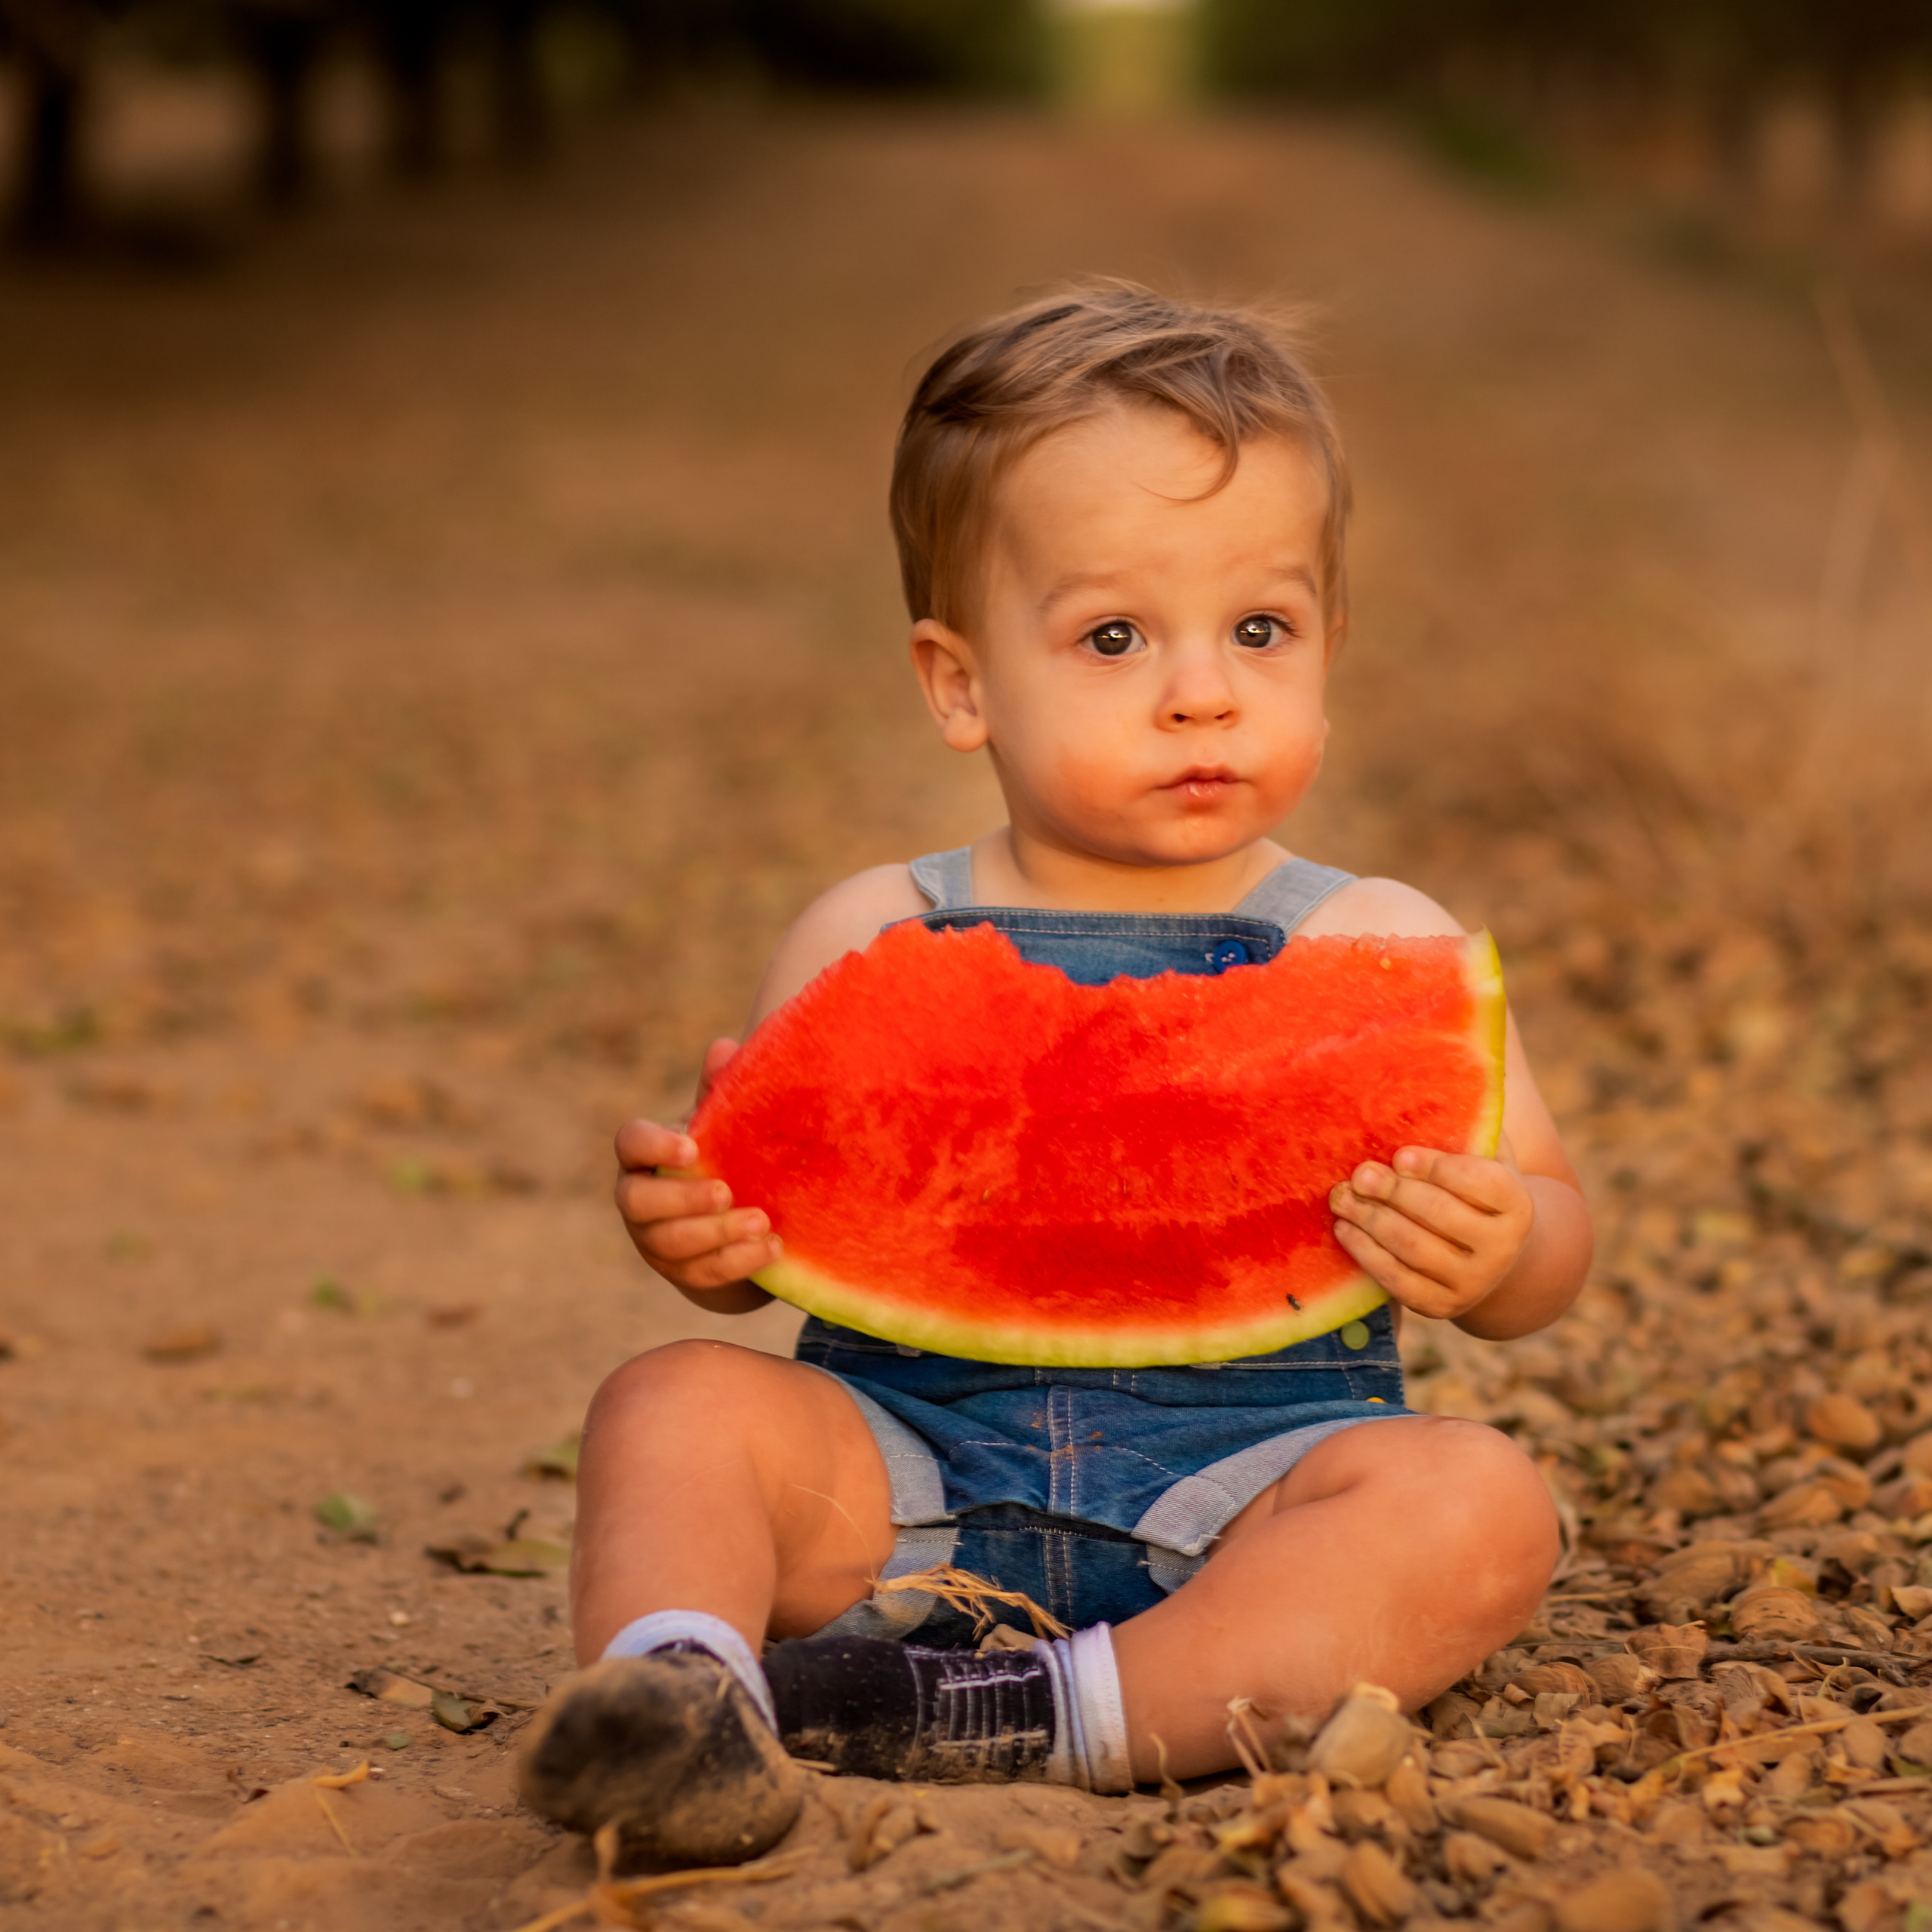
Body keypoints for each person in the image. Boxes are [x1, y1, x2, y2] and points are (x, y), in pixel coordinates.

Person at [518, 285, 1594, 1869]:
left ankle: (1049, 1706)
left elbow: (1552, 1235)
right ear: (959, 683)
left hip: (1247, 1499)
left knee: (1477, 1500)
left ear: (1327, 644)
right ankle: (683, 1693)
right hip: (900, 1489)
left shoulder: (1380, 944)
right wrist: (694, 1235)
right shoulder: (876, 932)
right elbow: (762, 1241)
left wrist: (1505, 1247)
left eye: (1258, 629)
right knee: (668, 1403)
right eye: (1111, 636)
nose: (1199, 689)